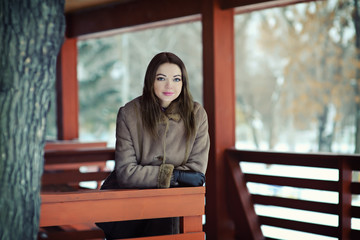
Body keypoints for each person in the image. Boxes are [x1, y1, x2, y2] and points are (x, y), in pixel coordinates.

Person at [96, 52, 210, 239]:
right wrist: (174, 176)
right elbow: (126, 172)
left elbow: (196, 172)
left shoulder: (196, 115)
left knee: (168, 214)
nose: (169, 86)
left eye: (176, 79)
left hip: (172, 210)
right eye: (161, 78)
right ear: (151, 81)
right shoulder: (129, 114)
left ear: (183, 83)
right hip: (130, 207)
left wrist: (150, 175)